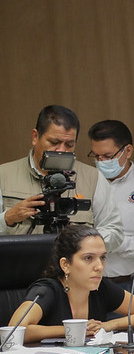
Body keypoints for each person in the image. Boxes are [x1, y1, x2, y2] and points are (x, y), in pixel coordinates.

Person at [9, 224, 134, 343]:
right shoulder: (46, 291)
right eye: (88, 258)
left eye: (102, 258)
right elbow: (14, 331)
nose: (99, 266)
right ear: (65, 265)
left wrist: (108, 325)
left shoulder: (101, 288)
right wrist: (74, 330)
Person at [0, 105, 123, 250]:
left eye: (69, 145)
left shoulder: (93, 178)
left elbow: (115, 231)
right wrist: (7, 218)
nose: (61, 150)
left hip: (73, 263)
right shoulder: (4, 175)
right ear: (35, 137)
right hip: (21, 263)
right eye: (54, 143)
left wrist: (83, 240)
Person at [87, 120, 134, 296]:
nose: (101, 162)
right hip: (82, 282)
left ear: (128, 151)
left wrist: (109, 242)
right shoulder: (88, 182)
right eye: (97, 156)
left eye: (108, 156)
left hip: (121, 283)